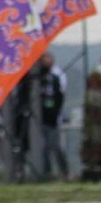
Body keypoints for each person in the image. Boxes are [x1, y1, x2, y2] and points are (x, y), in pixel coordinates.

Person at [36, 52, 69, 180]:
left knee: (55, 145)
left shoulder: (56, 77)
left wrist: (57, 113)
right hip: (40, 116)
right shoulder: (38, 78)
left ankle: (64, 170)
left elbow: (60, 96)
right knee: (43, 146)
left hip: (53, 117)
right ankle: (46, 172)